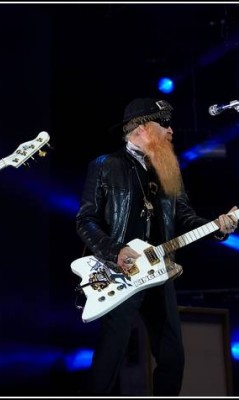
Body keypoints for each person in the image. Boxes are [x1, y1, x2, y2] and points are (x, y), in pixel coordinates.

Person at [75, 97, 238, 395]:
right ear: (139, 129)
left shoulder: (168, 169)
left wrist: (218, 227)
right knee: (110, 359)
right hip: (118, 273)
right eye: (163, 124)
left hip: (158, 270)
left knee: (173, 357)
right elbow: (85, 220)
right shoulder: (105, 165)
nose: (171, 130)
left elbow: (185, 217)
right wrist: (115, 251)